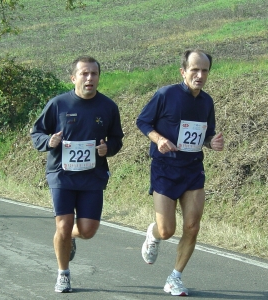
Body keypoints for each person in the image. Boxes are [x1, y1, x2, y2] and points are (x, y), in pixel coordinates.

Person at [30, 56, 124, 293]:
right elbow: (37, 133)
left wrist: (107, 149)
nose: (89, 78)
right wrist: (48, 141)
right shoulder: (58, 104)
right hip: (62, 174)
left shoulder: (108, 107)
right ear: (73, 78)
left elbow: (116, 139)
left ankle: (70, 236)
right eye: (84, 73)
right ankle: (63, 273)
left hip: (93, 176)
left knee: (87, 230)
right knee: (63, 225)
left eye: (94, 74)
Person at [136, 49, 224, 296]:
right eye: (194, 70)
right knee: (167, 231)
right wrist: (159, 139)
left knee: (193, 226)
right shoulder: (166, 94)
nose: (200, 75)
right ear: (183, 71)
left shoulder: (207, 102)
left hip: (193, 169)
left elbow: (207, 134)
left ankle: (175, 277)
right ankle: (152, 234)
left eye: (204, 70)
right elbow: (143, 121)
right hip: (165, 168)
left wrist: (212, 143)